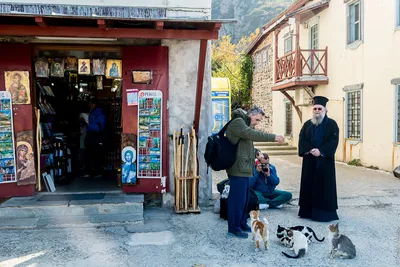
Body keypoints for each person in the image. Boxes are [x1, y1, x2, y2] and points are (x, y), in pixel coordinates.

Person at [226, 106, 284, 238]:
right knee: (237, 200)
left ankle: (241, 223)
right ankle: (233, 228)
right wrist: (273, 137)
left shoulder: (244, 124)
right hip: (237, 169)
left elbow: (244, 145)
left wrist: (256, 153)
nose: (256, 123)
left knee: (245, 199)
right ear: (251, 114)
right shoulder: (238, 122)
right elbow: (251, 134)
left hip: (245, 168)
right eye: (257, 119)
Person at [298, 96, 339, 222]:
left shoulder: (332, 124)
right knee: (309, 185)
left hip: (324, 162)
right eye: (315, 108)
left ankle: (323, 214)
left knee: (324, 188)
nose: (317, 111)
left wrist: (321, 151)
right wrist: (310, 150)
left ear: (325, 110)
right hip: (309, 161)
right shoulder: (307, 124)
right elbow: (302, 138)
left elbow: (333, 140)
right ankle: (307, 212)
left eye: (319, 109)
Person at [83, 98, 106, 177]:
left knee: (91, 153)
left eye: (90, 104)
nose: (89, 105)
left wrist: (88, 124)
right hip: (96, 135)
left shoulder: (95, 113)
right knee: (96, 153)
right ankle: (96, 171)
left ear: (93, 104)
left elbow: (100, 125)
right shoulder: (99, 113)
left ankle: (91, 171)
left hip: (94, 135)